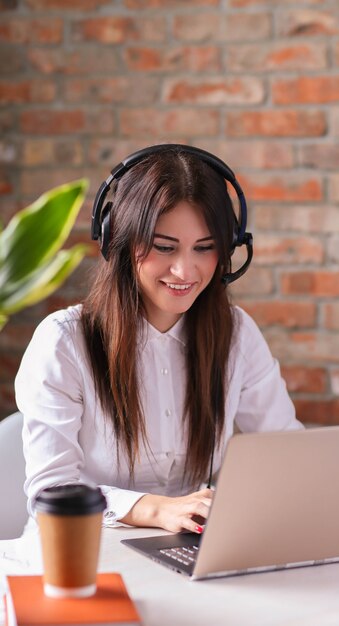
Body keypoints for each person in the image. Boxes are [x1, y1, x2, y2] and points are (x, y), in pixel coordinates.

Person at [15, 144, 303, 535]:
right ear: (118, 240)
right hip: (82, 554)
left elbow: (286, 453)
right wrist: (155, 511)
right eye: (165, 247)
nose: (185, 269)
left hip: (190, 552)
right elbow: (53, 494)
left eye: (205, 248)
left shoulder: (235, 334)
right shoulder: (64, 343)